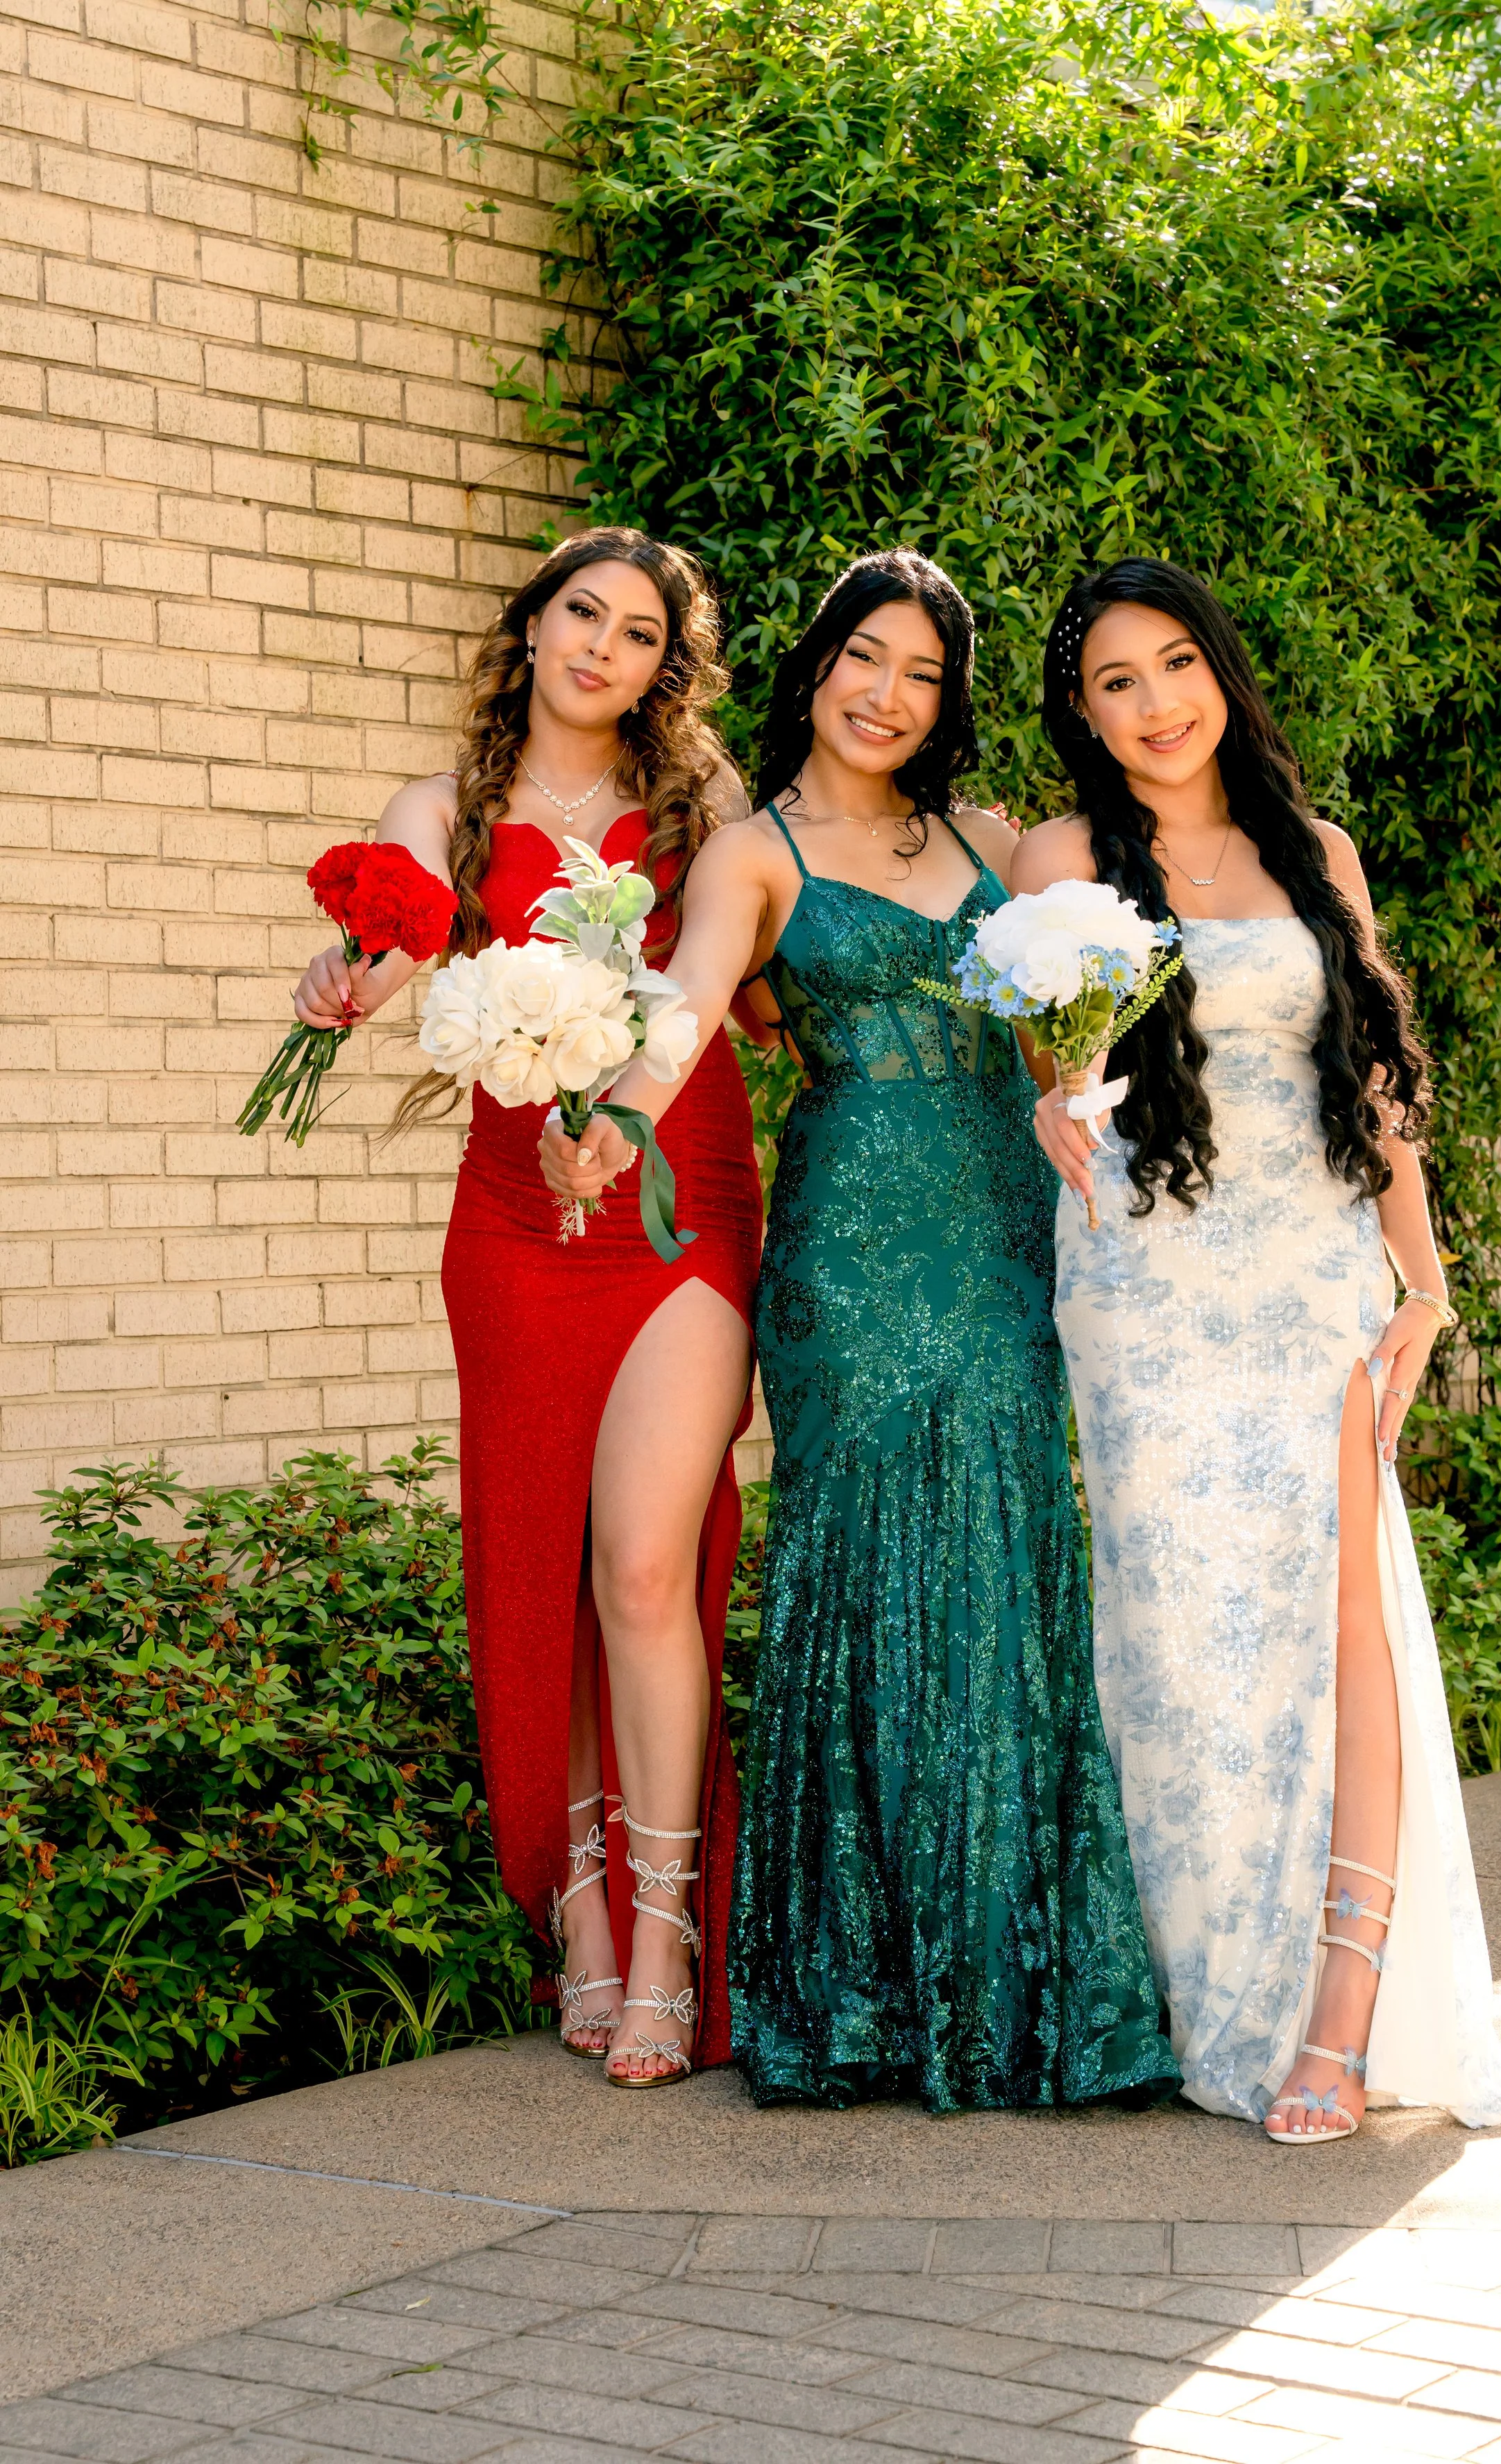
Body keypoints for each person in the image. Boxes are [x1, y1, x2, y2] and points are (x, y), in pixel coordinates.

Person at [541, 548, 1180, 2112]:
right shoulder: (753, 856)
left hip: (1000, 1229)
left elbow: (1095, 1001)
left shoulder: (995, 840)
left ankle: (1010, 1985)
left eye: (921, 672)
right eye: (864, 658)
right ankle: (855, 1996)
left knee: (1000, 1553)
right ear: (817, 662)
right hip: (850, 1248)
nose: (887, 694)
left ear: (945, 700)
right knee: (867, 1561)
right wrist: (613, 1116)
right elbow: (689, 1002)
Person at [1016, 558, 1501, 2140]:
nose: (1156, 701)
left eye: (1177, 663)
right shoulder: (1054, 856)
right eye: (1117, 678)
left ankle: (1340, 2009)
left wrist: (1422, 1286)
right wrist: (1050, 1084)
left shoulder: (1314, 854)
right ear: (1082, 712)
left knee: (1339, 1627)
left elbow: (1374, 1079)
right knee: (1181, 1655)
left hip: (1308, 1284)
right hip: (1143, 1292)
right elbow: (1059, 1055)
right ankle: (1202, 1999)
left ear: (1221, 675)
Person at [291, 529, 763, 2088]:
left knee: (640, 1562)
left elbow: (706, 986)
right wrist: (345, 974)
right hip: (512, 1214)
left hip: (673, 1190)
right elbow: (388, 927)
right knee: (542, 1554)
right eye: (583, 613)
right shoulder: (447, 808)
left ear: (663, 669)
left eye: (639, 633)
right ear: (536, 622)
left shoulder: (707, 816)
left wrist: (627, 1105)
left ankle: (672, 1923)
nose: (602, 649)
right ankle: (581, 1911)